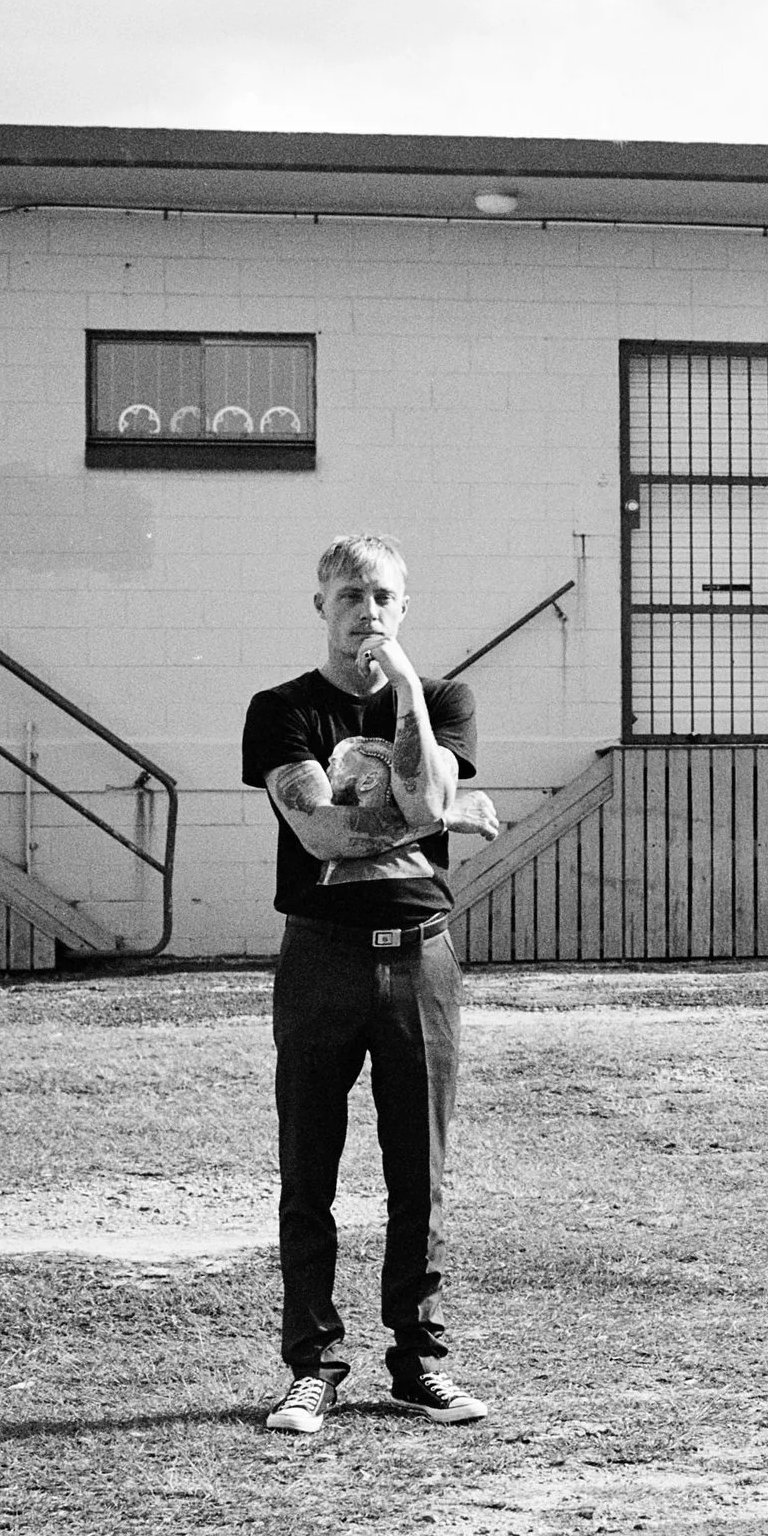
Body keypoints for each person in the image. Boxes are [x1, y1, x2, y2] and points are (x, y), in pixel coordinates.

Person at [240, 533, 500, 1435]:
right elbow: (321, 832)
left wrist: (412, 700)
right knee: (308, 1167)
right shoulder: (282, 711)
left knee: (417, 1174)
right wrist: (451, 813)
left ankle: (417, 1362)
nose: (369, 611)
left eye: (384, 596)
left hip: (421, 957)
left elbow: (419, 803)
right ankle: (311, 1368)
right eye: (352, 595)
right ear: (321, 606)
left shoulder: (445, 700)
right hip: (322, 956)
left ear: (404, 607)